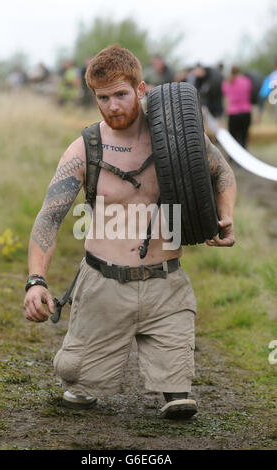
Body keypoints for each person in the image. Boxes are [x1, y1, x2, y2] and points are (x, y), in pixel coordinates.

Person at [23, 45, 236, 419]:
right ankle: (87, 370)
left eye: (121, 94)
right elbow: (49, 217)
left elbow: (222, 172)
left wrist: (225, 216)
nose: (113, 106)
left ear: (140, 89)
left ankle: (171, 382)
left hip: (166, 286)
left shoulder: (176, 138)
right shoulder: (85, 148)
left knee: (179, 397)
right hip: (103, 285)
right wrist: (36, 280)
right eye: (102, 98)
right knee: (75, 380)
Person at [222, 66, 253, 148]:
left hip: (233, 112)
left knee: (233, 137)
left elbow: (226, 95)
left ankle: (232, 157)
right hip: (246, 111)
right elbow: (249, 93)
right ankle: (244, 154)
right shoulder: (247, 81)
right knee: (244, 136)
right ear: (239, 71)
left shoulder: (227, 82)